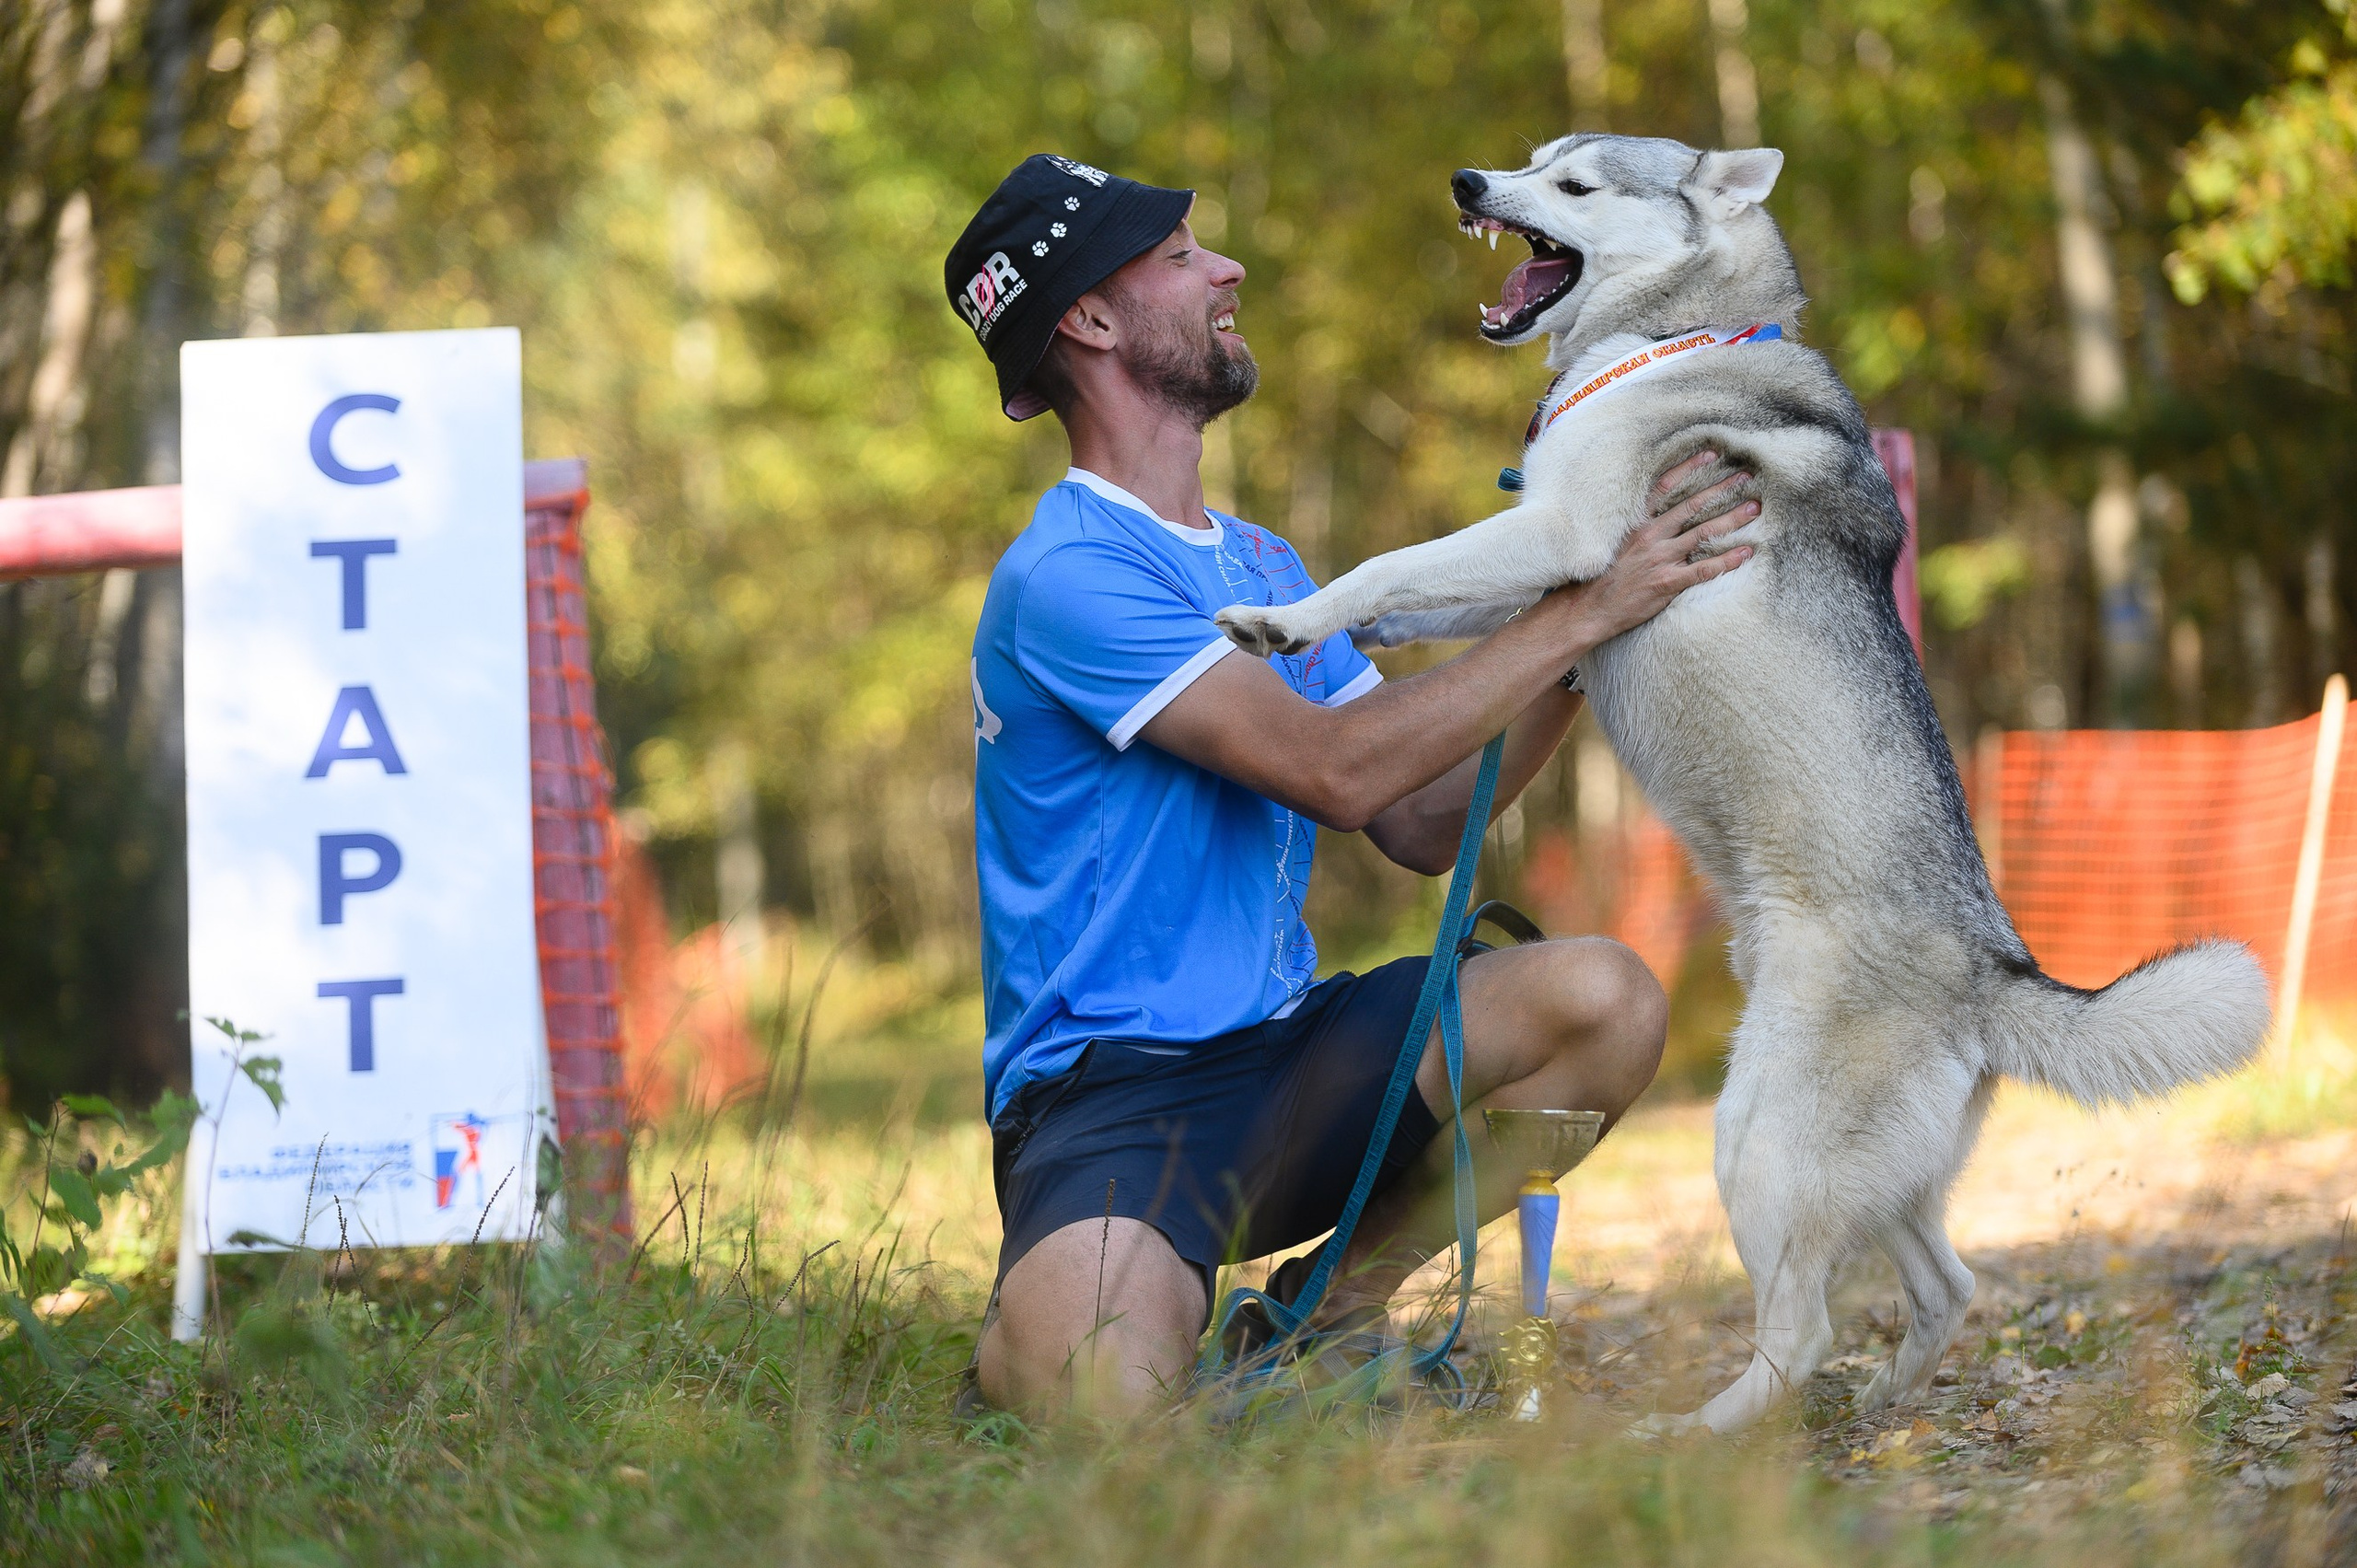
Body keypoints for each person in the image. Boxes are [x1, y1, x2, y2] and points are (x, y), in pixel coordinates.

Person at [946, 155, 1757, 1415]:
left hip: (1290, 1062)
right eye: (1180, 257)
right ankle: (1042, 1328)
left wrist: (1581, 636)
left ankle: (1321, 1320)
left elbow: (1421, 821)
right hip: (1108, 1101)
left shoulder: (1265, 564)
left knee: (1603, 1000)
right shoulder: (1069, 575)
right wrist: (1588, 604)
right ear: (1092, 321)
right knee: (1103, 1399)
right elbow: (1334, 771)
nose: (1228, 270)